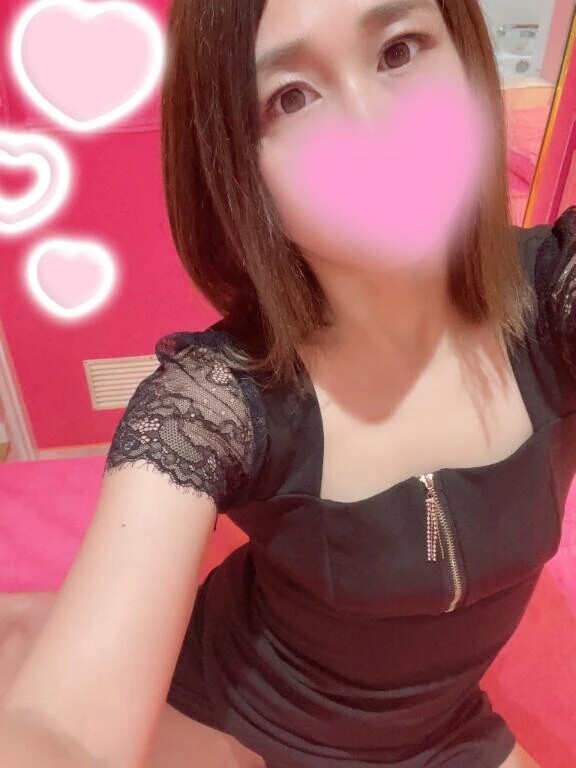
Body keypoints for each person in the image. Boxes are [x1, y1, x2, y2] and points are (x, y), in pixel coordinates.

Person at [0, 1, 574, 767]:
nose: (372, 126)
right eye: (291, 97)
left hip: (442, 734)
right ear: (243, 172)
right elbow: (61, 731)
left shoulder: (553, 301)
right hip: (236, 724)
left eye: (399, 50)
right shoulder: (213, 400)